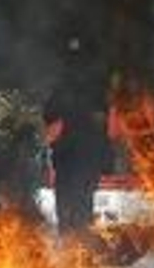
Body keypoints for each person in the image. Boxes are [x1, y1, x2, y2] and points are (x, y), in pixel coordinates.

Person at [44, 35, 110, 242]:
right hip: (77, 156)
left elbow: (49, 115)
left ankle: (78, 253)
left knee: (72, 207)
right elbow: (101, 125)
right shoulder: (92, 89)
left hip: (75, 156)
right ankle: (79, 253)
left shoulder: (68, 88)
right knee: (77, 206)